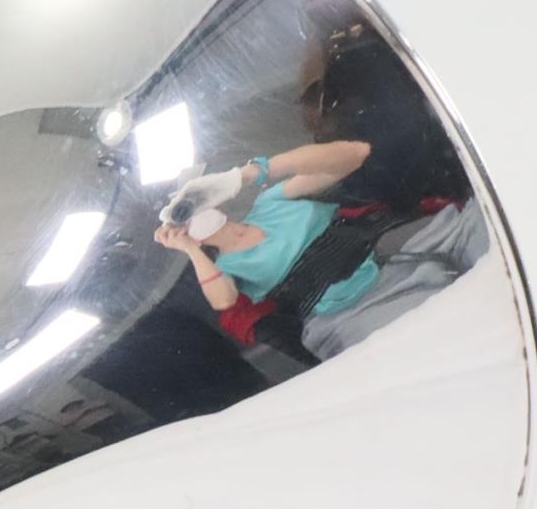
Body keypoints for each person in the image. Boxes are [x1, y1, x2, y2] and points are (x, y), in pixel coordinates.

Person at [154, 141, 488, 359]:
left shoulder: (269, 203)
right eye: (184, 213)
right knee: (449, 339)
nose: (195, 211)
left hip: (407, 248)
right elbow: (224, 301)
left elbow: (354, 155)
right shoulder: (228, 269)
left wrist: (246, 174)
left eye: (195, 201)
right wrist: (188, 248)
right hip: (357, 309)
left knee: (487, 225)